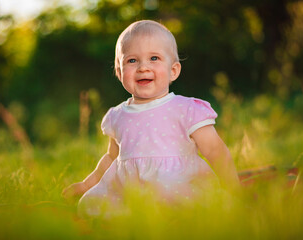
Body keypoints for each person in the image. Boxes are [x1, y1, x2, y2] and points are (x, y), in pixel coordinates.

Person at [62, 20, 240, 215]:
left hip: (178, 188)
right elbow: (112, 158)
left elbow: (215, 150)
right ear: (120, 73)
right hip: (132, 193)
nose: (143, 67)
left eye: (154, 58)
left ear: (173, 71)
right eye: (132, 60)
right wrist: (87, 184)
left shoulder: (186, 109)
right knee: (92, 207)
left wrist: (233, 189)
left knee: (199, 207)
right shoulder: (118, 115)